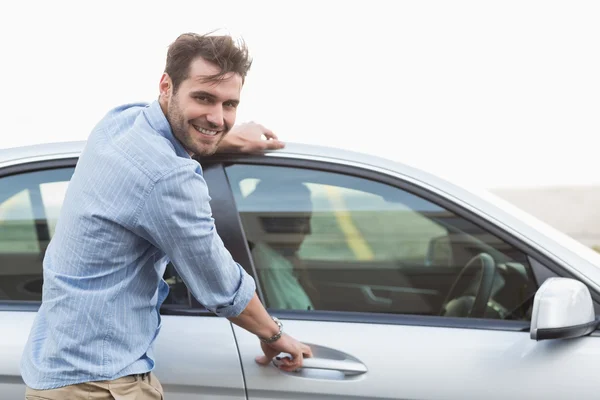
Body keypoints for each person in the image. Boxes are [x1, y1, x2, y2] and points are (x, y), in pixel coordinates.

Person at [20, 32, 312, 399]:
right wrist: (273, 334)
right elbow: (219, 282)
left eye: (229, 104)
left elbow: (174, 131)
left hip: (59, 369)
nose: (217, 116)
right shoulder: (168, 178)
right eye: (204, 98)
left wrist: (224, 135)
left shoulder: (119, 123)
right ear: (166, 86)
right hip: (100, 385)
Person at [243, 180, 317, 310]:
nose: (308, 231)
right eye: (302, 221)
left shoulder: (283, 260)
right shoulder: (270, 266)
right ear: (276, 222)